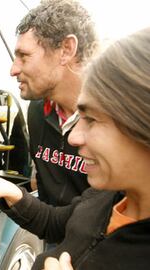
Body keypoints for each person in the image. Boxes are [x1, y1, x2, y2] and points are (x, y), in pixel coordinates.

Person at [0, 27, 150, 270]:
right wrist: (12, 194)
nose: (73, 137)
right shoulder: (111, 195)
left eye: (92, 120)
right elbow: (59, 222)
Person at [11, 0, 98, 205]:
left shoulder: (114, 118)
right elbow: (45, 195)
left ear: (66, 50)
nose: (13, 70)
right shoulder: (36, 112)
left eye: (24, 56)